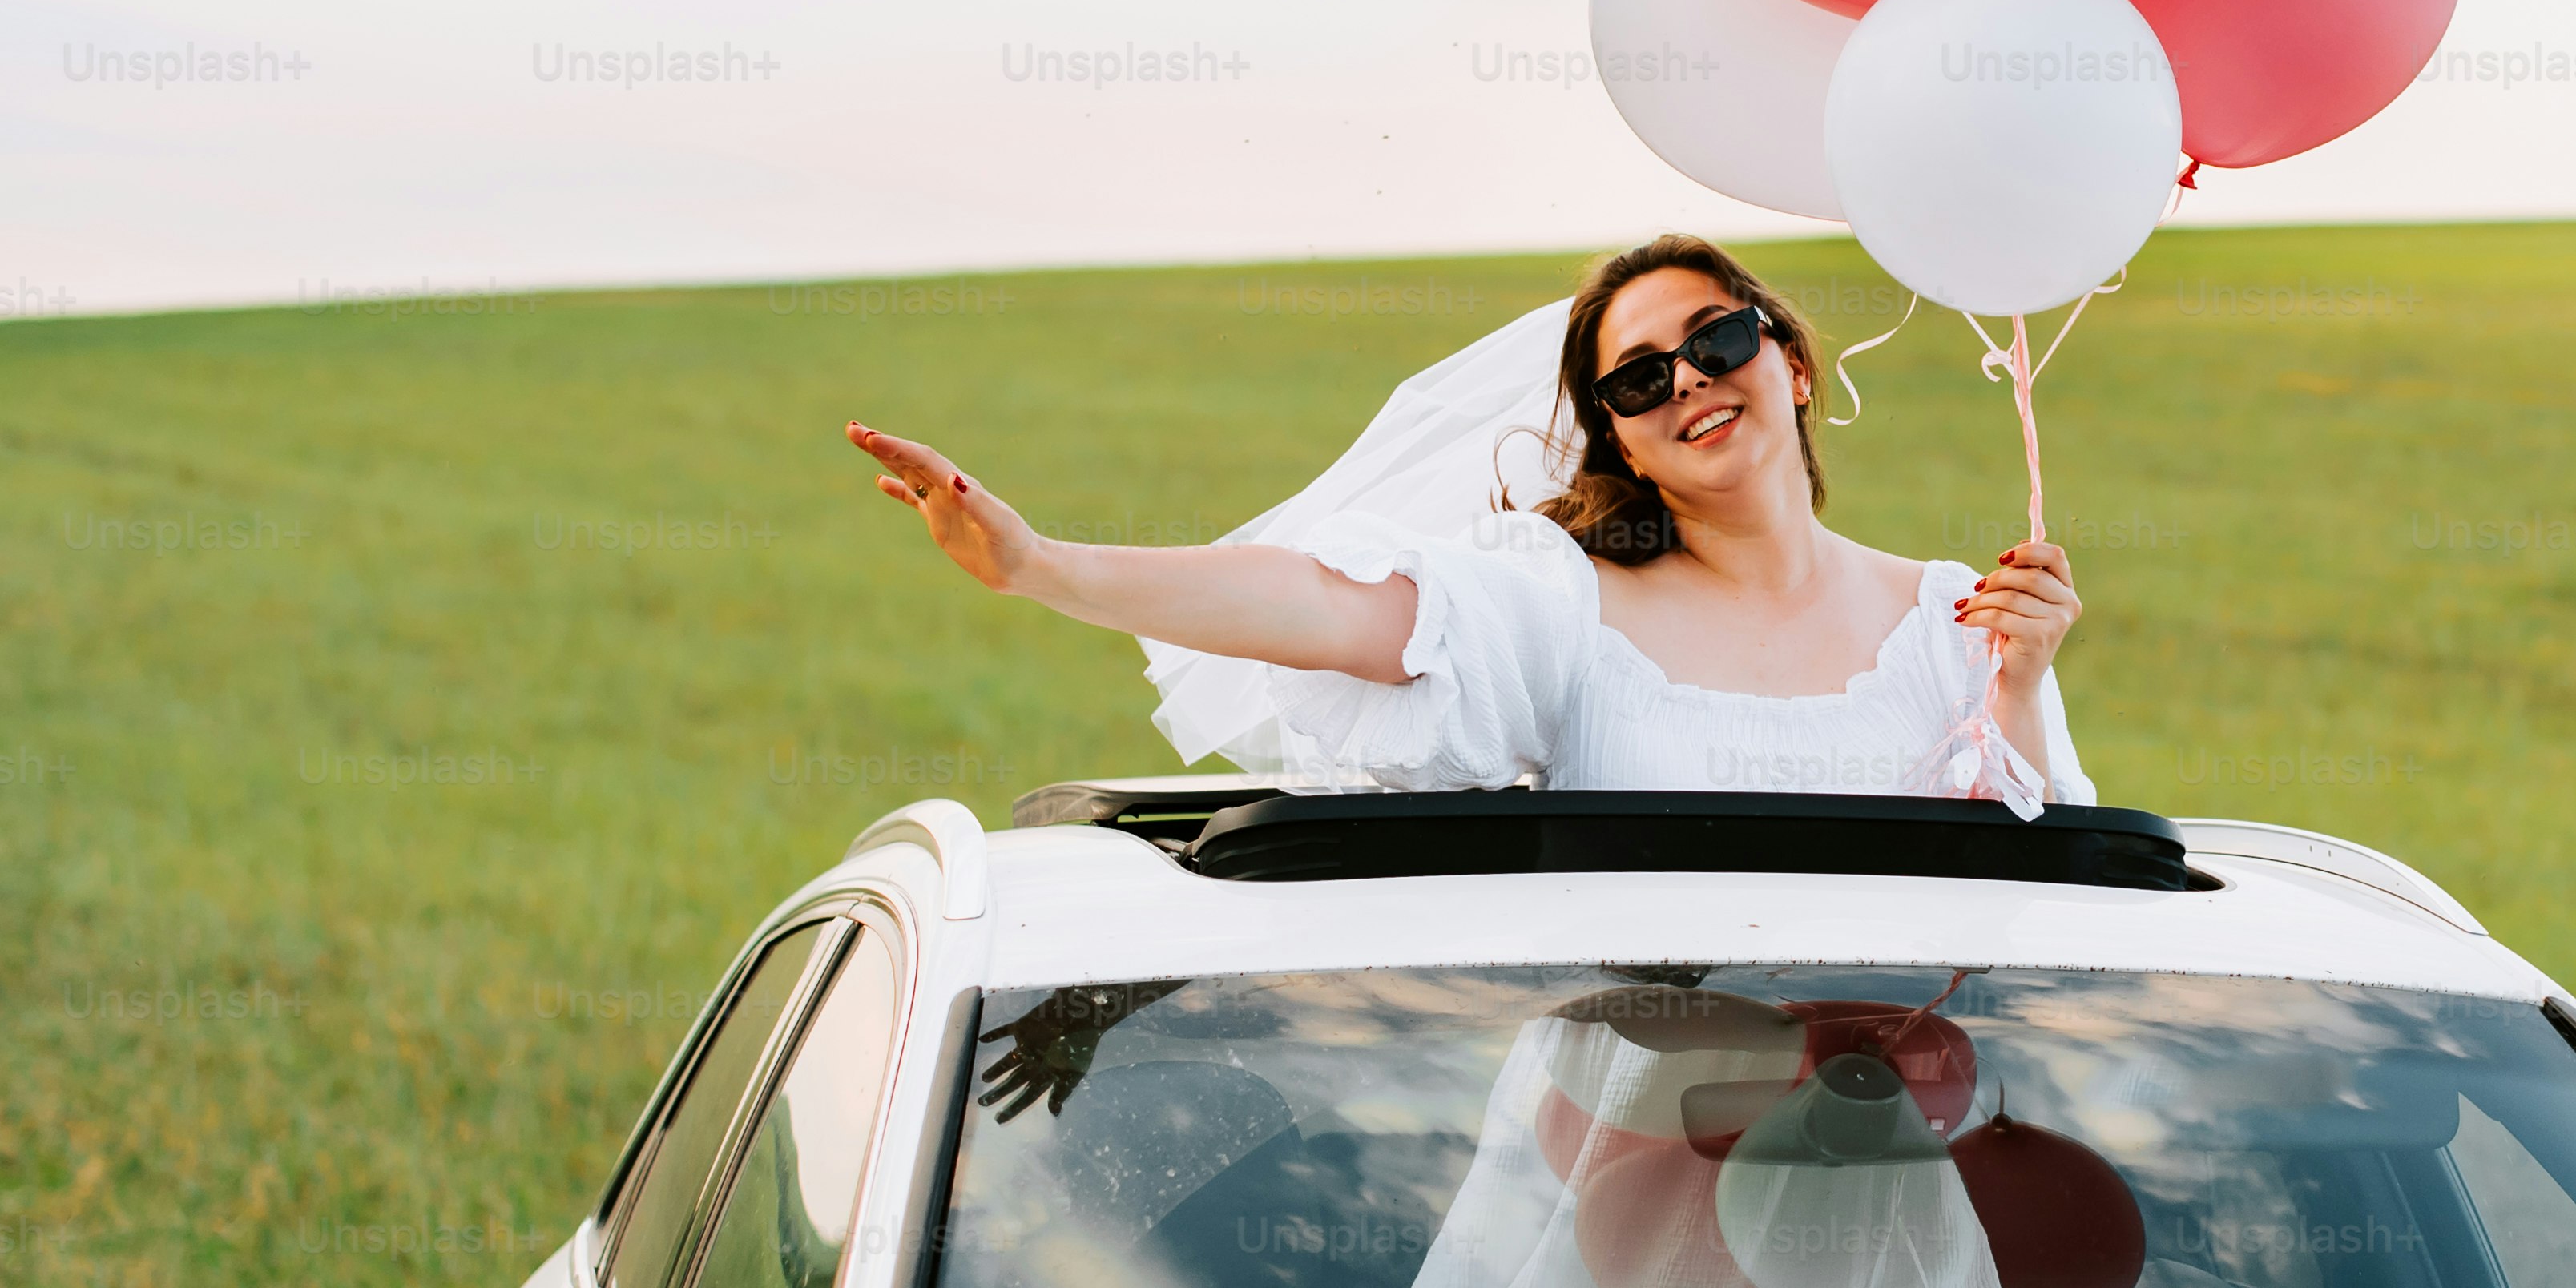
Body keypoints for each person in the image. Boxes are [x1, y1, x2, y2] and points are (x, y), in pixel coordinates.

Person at [849, 235, 2088, 808]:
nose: (1690, 381)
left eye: (1713, 339)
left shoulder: (1955, 619)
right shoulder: (1561, 602)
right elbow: (1327, 608)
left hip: (1895, 1160)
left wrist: (2021, 685)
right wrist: (1038, 562)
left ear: (1792, 362)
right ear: (1619, 438)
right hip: (1631, 1168)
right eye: (1639, 377)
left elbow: (2059, 896)